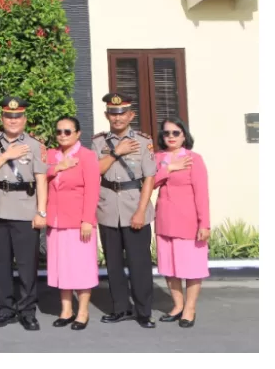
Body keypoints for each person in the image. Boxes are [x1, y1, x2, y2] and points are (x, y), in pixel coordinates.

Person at [91, 93, 157, 328]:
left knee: (139, 263)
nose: (117, 118)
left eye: (122, 113)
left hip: (134, 205)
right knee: (114, 263)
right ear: (107, 115)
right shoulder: (99, 142)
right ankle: (120, 308)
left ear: (131, 115)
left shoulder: (142, 140)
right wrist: (116, 152)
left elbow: (149, 177)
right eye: (113, 113)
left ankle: (143, 311)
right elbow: (95, 171)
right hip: (107, 206)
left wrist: (141, 210)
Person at [0, 96, 47, 331]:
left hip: (25, 209)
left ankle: (27, 310)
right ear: (2, 118)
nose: (13, 120)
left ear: (25, 118)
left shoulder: (35, 145)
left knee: (26, 266)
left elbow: (41, 180)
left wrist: (41, 211)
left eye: (17, 116)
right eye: (8, 116)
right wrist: (5, 156)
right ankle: (4, 309)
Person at [43, 116, 100, 330]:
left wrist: (87, 220)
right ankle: (66, 310)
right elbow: (41, 177)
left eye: (67, 131)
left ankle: (82, 311)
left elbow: (92, 190)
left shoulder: (87, 156)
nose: (62, 135)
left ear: (78, 133)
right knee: (62, 267)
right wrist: (58, 167)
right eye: (59, 131)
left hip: (78, 221)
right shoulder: (51, 155)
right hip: (56, 221)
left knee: (82, 267)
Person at [153, 118, 210, 329]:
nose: (171, 136)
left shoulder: (194, 159)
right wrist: (169, 167)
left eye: (176, 133)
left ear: (184, 135)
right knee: (169, 266)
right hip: (164, 220)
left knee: (192, 267)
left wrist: (204, 223)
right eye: (167, 133)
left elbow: (202, 194)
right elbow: (150, 184)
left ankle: (190, 308)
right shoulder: (158, 158)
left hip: (189, 221)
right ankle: (177, 306)